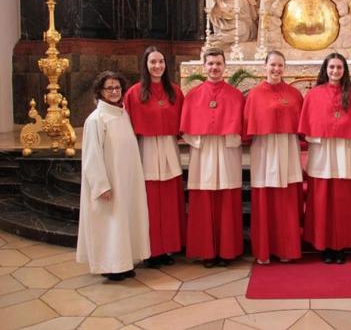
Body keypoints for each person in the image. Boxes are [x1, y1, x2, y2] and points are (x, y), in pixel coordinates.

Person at [76, 71, 150, 281]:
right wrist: (101, 185)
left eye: (117, 88)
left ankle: (124, 262)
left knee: (123, 221)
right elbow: (92, 157)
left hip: (126, 180)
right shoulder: (96, 119)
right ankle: (111, 265)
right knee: (110, 224)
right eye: (109, 88)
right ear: (100, 91)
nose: (115, 92)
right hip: (109, 183)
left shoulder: (122, 114)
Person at [179, 48, 244, 268]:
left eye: (218, 63)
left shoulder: (236, 96)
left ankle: (227, 250)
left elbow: (241, 129)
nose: (214, 68)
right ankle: (206, 251)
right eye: (210, 64)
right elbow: (186, 129)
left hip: (227, 151)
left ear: (225, 66)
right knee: (202, 199)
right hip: (203, 152)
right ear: (203, 66)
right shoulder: (193, 95)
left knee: (227, 199)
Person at [123, 46, 185, 268]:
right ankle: (148, 248)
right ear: (145, 65)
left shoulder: (175, 92)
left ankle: (168, 246)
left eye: (161, 62)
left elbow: (183, 122)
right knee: (148, 201)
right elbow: (127, 125)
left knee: (169, 201)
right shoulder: (134, 93)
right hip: (146, 149)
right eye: (153, 62)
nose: (157, 66)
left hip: (169, 148)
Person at [298, 53, 351, 264]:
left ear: (345, 70)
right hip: (322, 151)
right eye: (332, 67)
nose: (335, 71)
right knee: (321, 198)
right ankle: (323, 244)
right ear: (325, 69)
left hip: (344, 151)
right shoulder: (314, 94)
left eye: (339, 67)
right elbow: (307, 122)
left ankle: (341, 244)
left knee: (344, 199)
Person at [243, 51, 304, 264]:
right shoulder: (254, 94)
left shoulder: (295, 94)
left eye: (280, 65)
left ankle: (286, 249)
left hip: (287, 149)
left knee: (287, 200)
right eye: (272, 65)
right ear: (265, 66)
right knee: (265, 199)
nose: (276, 69)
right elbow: (248, 125)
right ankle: (264, 250)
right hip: (264, 150)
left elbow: (302, 126)